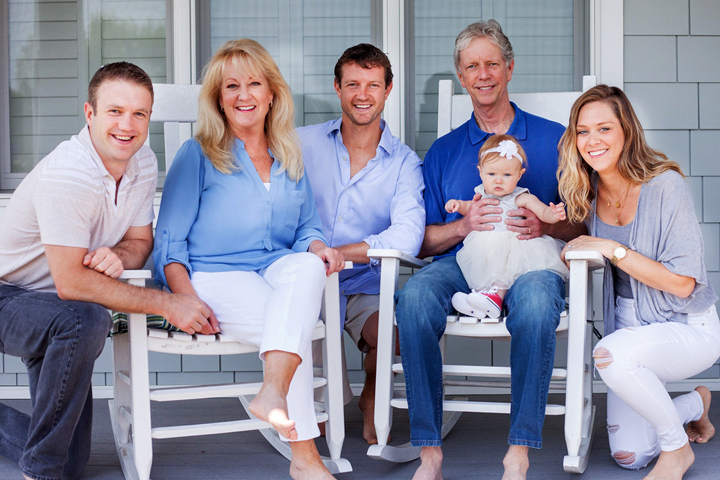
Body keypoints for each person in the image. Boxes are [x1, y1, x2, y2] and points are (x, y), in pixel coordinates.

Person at [0, 62, 213, 480]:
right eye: (115, 111)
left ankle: (50, 460)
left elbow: (141, 242)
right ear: (89, 113)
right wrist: (169, 303)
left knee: (73, 462)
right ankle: (39, 471)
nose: (127, 125)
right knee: (87, 318)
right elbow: (73, 282)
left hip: (57, 308)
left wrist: (119, 254)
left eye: (139, 114)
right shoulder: (69, 173)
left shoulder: (143, 163)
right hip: (9, 295)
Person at [393, 20, 585, 480]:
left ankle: (518, 451)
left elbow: (582, 220)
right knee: (415, 297)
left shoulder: (554, 137)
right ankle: (429, 452)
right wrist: (462, 226)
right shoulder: (443, 151)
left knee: (539, 305)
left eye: (492, 63)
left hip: (531, 262)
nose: (483, 74)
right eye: (472, 66)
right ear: (461, 76)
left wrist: (545, 223)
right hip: (463, 263)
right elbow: (419, 239)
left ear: (510, 69)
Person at [152, 39, 344, 480]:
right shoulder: (197, 154)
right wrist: (183, 297)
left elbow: (307, 229)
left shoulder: (289, 156)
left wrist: (319, 248)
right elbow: (169, 242)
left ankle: (272, 392)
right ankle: (306, 459)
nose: (244, 95)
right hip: (213, 275)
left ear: (271, 93)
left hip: (273, 267)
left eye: (254, 83)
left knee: (309, 268)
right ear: (218, 98)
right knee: (290, 327)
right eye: (231, 86)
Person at [558, 84, 720, 480]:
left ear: (626, 131)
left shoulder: (665, 186)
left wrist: (611, 249)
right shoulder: (589, 193)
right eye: (582, 131)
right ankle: (695, 405)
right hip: (630, 328)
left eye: (604, 128)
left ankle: (678, 451)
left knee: (609, 355)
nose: (592, 140)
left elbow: (683, 284)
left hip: (686, 325)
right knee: (630, 455)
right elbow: (574, 237)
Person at [298, 43, 425, 444]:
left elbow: (408, 234)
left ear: (388, 90)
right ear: (337, 88)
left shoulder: (405, 163)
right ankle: (315, 400)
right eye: (353, 83)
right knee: (315, 426)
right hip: (308, 283)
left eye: (373, 84)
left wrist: (343, 253)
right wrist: (314, 251)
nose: (362, 94)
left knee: (396, 335)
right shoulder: (300, 143)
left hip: (364, 285)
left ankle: (372, 391)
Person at [447, 135, 568, 319]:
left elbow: (542, 212)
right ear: (480, 172)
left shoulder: (520, 197)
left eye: (507, 175)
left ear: (520, 175)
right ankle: (482, 302)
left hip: (514, 248)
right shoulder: (481, 194)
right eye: (491, 174)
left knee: (501, 271)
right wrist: (457, 205)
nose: (498, 181)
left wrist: (553, 214)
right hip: (485, 247)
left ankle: (495, 298)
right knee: (483, 271)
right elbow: (469, 206)